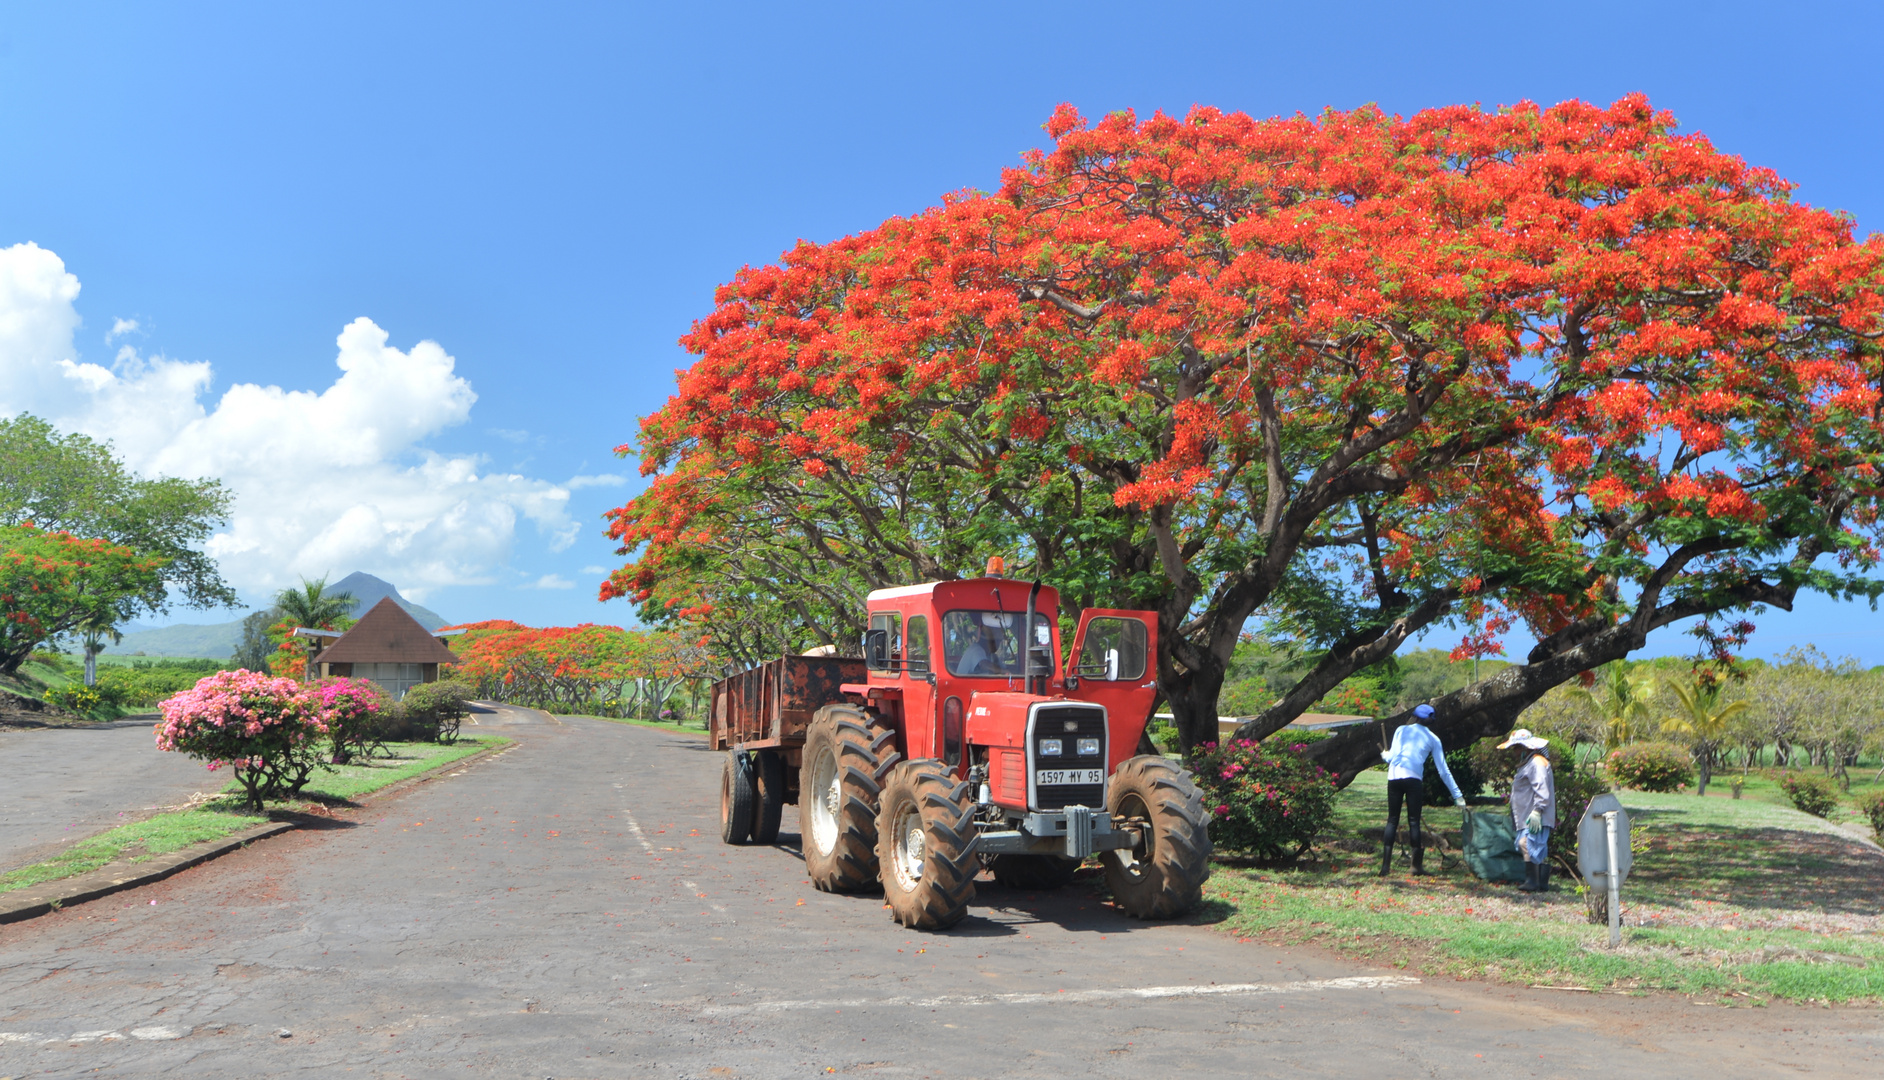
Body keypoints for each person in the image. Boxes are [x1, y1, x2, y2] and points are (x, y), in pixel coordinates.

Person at [1379, 703, 1465, 876]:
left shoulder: (1401, 730)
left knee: (1392, 820)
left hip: (1394, 777)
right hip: (1413, 779)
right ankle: (1416, 867)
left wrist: (1384, 755)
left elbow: (1392, 756)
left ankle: (1385, 867)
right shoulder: (1434, 739)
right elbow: (1443, 770)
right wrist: (1458, 795)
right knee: (1414, 822)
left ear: (1416, 717)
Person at [1498, 727, 1555, 892]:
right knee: (1529, 845)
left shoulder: (1537, 763)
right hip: (1528, 814)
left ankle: (1533, 881)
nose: (1514, 752)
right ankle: (1538, 882)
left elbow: (1542, 788)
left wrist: (1538, 810)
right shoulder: (1530, 762)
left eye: (1516, 748)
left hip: (1536, 814)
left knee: (1529, 844)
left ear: (1525, 748)